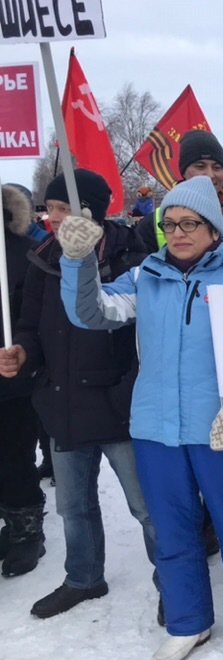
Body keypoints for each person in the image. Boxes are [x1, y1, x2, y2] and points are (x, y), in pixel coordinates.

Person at [56, 175, 223, 660]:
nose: (177, 232)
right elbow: (91, 312)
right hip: (156, 429)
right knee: (172, 531)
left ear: (213, 228)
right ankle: (187, 622)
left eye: (189, 223)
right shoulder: (143, 278)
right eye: (169, 223)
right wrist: (76, 261)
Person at [0, 169, 159, 619]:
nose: (52, 218)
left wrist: (126, 390)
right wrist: (22, 353)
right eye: (49, 208)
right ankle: (84, 578)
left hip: (118, 406)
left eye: (63, 208)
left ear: (91, 210)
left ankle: (173, 582)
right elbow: (30, 325)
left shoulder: (132, 257)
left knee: (147, 509)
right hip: (61, 404)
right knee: (73, 507)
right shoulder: (41, 257)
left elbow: (147, 332)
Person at [135, 129, 223, 273]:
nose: (210, 174)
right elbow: (141, 277)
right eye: (200, 166)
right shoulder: (151, 224)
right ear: (183, 171)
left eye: (217, 167)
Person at [0, 184, 46, 577]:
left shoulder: (19, 256)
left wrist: (20, 351)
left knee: (13, 458)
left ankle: (26, 533)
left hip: (10, 382)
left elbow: (30, 320)